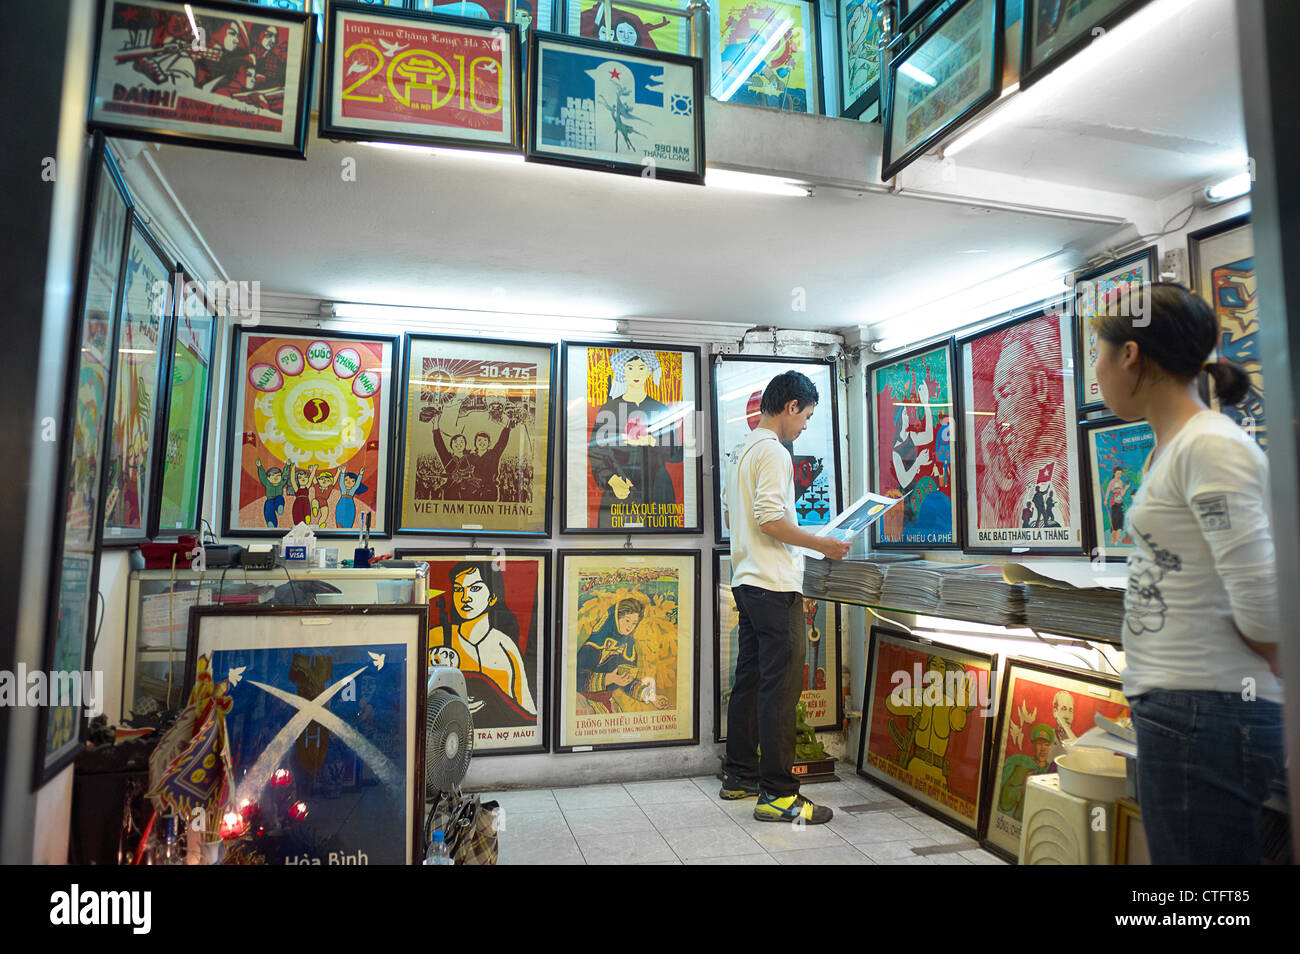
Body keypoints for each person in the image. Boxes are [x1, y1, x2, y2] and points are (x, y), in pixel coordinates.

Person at [1093, 281, 1285, 864]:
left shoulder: (1210, 448)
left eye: (1100, 353)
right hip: (1186, 708)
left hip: (1210, 710)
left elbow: (1263, 604)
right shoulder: (1171, 449)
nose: (1096, 372)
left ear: (1131, 355)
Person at [719, 370, 850, 825]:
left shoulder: (740, 450)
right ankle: (777, 795)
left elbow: (734, 516)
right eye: (806, 416)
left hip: (747, 580)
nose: (804, 427)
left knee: (751, 680)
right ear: (791, 405)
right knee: (781, 690)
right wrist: (823, 544)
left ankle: (739, 775)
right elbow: (771, 520)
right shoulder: (773, 452)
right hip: (774, 586)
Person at [587, 349, 683, 529]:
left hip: (658, 492)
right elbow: (596, 451)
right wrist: (612, 480)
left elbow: (677, 453)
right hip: (620, 489)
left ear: (649, 371)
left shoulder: (660, 409)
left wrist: (652, 442)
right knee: (614, 548)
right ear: (622, 372)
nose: (636, 373)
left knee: (663, 546)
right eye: (630, 368)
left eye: (641, 368)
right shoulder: (610, 408)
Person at [436, 562, 536, 718]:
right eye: (458, 589)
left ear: (493, 596)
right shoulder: (438, 638)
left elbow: (527, 709)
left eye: (475, 588)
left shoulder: (506, 646)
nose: (465, 597)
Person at [575, 597, 668, 713]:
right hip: (582, 701)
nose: (630, 627)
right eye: (627, 620)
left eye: (634, 623)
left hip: (606, 701)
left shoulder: (627, 646)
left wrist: (651, 697)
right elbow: (576, 679)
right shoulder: (595, 644)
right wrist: (609, 678)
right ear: (615, 618)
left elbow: (626, 680)